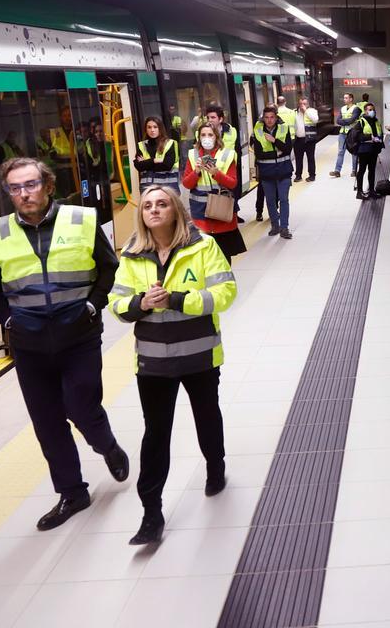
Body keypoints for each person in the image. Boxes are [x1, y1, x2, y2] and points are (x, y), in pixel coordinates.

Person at [0, 158, 129, 530]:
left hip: (78, 335)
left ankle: (107, 446)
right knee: (46, 421)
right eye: (15, 188)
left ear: (47, 185)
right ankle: (73, 493)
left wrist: (93, 305)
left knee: (81, 406)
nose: (24, 193)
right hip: (29, 343)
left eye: (30, 185)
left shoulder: (81, 220)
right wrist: (7, 319)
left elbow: (108, 267)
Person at [108, 186, 237, 545]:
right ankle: (151, 512)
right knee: (155, 434)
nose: (153, 210)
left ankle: (215, 466)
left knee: (207, 415)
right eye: (147, 205)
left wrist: (177, 299)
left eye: (161, 203)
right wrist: (142, 304)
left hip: (199, 356)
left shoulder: (203, 246)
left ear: (175, 209)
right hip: (153, 362)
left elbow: (225, 293)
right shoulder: (131, 255)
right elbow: (116, 304)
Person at [182, 124, 247, 263]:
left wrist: (216, 173)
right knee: (205, 259)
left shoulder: (227, 154)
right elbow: (187, 184)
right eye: (203, 135)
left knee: (223, 258)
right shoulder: (192, 155)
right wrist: (197, 171)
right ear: (198, 137)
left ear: (216, 136)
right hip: (200, 215)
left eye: (210, 135)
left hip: (221, 214)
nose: (206, 138)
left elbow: (232, 183)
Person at [251, 105, 294, 238]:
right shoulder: (257, 131)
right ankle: (275, 225)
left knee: (284, 199)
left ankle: (284, 228)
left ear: (276, 118)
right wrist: (278, 152)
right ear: (263, 119)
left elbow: (288, 149)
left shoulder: (283, 128)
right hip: (267, 172)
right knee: (270, 201)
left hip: (284, 171)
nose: (269, 120)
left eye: (272, 117)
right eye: (267, 118)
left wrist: (274, 141)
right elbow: (259, 154)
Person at [133, 116, 180, 193]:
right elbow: (138, 166)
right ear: (146, 129)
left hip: (168, 188)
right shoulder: (142, 145)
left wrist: (146, 163)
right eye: (149, 127)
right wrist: (154, 160)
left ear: (160, 128)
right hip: (147, 189)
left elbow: (167, 165)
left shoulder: (170, 143)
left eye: (155, 127)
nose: (152, 130)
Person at [354, 102, 383, 200]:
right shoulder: (361, 122)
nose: (372, 111)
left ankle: (371, 191)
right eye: (370, 110)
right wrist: (369, 137)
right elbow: (356, 136)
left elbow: (379, 133)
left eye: (373, 110)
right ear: (365, 111)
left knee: (372, 170)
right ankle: (359, 192)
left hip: (374, 150)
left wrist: (379, 140)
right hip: (364, 150)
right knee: (361, 170)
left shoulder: (376, 121)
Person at [332, 93, 362, 179]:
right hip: (342, 133)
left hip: (352, 133)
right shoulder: (342, 108)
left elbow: (352, 120)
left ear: (351, 99)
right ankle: (337, 171)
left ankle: (354, 170)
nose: (344, 99)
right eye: (344, 98)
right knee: (340, 152)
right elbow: (338, 120)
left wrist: (344, 121)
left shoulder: (356, 109)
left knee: (354, 152)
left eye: (346, 98)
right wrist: (346, 121)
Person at [293, 96, 319, 182]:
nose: (302, 106)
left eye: (304, 104)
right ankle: (298, 175)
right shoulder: (295, 112)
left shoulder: (312, 111)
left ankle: (312, 175)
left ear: (308, 104)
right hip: (298, 139)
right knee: (298, 158)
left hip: (310, 139)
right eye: (300, 104)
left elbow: (315, 120)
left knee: (310, 158)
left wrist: (306, 111)